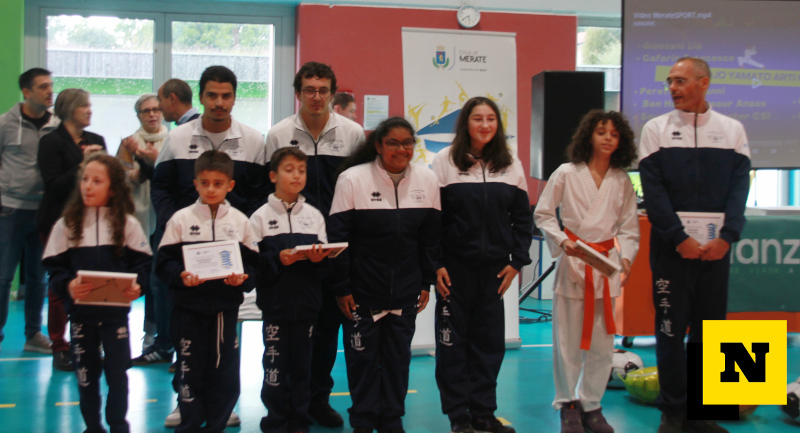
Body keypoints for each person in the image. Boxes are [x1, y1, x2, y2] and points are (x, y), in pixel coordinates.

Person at [150, 66, 267, 428]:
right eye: (212, 95)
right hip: (187, 255)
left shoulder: (253, 140)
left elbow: (259, 193)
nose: (219, 102)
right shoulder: (177, 137)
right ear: (200, 97)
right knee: (186, 338)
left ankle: (221, 405)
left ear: (234, 98)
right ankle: (184, 401)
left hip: (230, 257)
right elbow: (161, 186)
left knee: (225, 338)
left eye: (226, 95)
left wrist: (239, 227)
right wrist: (177, 223)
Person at [639, 57, 750, 433]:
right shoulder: (655, 129)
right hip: (671, 251)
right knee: (670, 329)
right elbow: (653, 193)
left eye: (681, 81)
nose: (673, 87)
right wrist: (679, 238)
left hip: (715, 251)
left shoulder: (733, 130)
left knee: (711, 330)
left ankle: (703, 412)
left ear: (704, 83)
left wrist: (727, 237)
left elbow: (739, 190)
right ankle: (672, 411)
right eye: (670, 81)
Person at [265, 61, 365, 427]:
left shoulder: (353, 134)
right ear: (298, 93)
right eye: (309, 89)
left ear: (332, 94)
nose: (317, 97)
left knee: (326, 331)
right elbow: (266, 190)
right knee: (290, 335)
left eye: (323, 90)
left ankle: (318, 400)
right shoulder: (278, 134)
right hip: (293, 252)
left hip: (336, 249)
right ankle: (286, 407)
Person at [329, 117, 441, 433]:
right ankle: (363, 422)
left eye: (407, 143)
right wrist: (342, 287)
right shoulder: (352, 179)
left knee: (397, 361)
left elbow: (430, 238)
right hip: (361, 293)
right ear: (378, 145)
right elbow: (338, 239)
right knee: (362, 363)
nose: (401, 149)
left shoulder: (427, 180)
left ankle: (392, 420)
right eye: (393, 143)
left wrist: (425, 282)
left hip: (405, 292)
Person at [534, 110, 639, 433]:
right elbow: (544, 214)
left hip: (605, 266)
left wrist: (625, 260)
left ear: (621, 141)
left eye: (614, 134)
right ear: (589, 136)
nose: (608, 138)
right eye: (601, 132)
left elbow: (629, 228)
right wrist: (562, 240)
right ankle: (567, 404)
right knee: (567, 342)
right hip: (574, 261)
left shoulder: (621, 180)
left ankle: (592, 404)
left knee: (602, 344)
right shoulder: (566, 173)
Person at [431, 97, 532, 433]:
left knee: (488, 345)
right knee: (452, 346)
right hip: (454, 272)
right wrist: (437, 264)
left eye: (491, 118)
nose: (485, 125)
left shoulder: (510, 162)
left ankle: (483, 413)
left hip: (494, 272)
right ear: (466, 123)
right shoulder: (445, 161)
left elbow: (522, 218)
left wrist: (517, 262)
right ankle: (458, 416)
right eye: (478, 118)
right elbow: (434, 220)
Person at [42, 154, 152, 433]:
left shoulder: (127, 224)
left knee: (117, 375)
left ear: (112, 189)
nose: (88, 186)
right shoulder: (67, 225)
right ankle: (92, 427)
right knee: (86, 377)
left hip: (115, 318)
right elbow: (54, 270)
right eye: (85, 179)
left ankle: (118, 425)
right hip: (81, 317)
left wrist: (138, 285)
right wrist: (68, 286)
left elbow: (143, 266)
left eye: (97, 181)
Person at [156, 150, 259, 433]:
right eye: (205, 183)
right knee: (189, 367)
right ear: (195, 184)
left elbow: (254, 265)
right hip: (187, 309)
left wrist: (243, 279)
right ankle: (189, 423)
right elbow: (163, 264)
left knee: (223, 370)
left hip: (224, 309)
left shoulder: (240, 222)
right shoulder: (180, 220)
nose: (211, 189)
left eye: (218, 183)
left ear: (230, 185)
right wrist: (180, 276)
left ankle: (216, 424)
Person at [250, 147, 332, 433]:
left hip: (307, 306)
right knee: (275, 365)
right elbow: (253, 264)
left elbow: (324, 265)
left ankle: (299, 420)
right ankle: (275, 419)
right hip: (275, 306)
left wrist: (319, 260)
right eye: (289, 170)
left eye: (301, 170)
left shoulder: (314, 216)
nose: (296, 175)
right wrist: (277, 259)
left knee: (301, 367)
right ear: (273, 176)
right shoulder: (259, 218)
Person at [37, 87, 106, 371]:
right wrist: (82, 163)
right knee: (59, 285)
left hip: (92, 222)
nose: (89, 110)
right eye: (83, 106)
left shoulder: (96, 140)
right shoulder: (50, 142)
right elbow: (53, 185)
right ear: (68, 110)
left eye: (89, 105)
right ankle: (60, 345)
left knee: (93, 281)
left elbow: (105, 180)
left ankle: (91, 341)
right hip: (58, 221)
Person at [0, 67, 59, 354]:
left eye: (50, 85)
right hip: (9, 210)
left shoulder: (58, 124)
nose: (50, 91)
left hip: (44, 212)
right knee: (3, 276)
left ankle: (34, 334)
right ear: (26, 92)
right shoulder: (5, 124)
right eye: (43, 86)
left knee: (38, 277)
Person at [141, 78, 199, 370]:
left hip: (184, 225)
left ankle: (174, 346)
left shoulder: (186, 134)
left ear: (173, 99)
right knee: (161, 283)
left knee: (167, 284)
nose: (158, 110)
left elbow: (173, 182)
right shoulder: (178, 133)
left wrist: (173, 222)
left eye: (160, 102)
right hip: (175, 221)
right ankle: (169, 345)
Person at [116, 93, 167, 352]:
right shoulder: (128, 143)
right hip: (136, 218)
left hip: (162, 219)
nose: (152, 114)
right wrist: (143, 163)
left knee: (157, 281)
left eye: (156, 109)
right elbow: (125, 178)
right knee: (133, 278)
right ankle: (116, 333)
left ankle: (152, 334)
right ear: (138, 115)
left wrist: (154, 161)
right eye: (146, 110)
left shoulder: (172, 140)